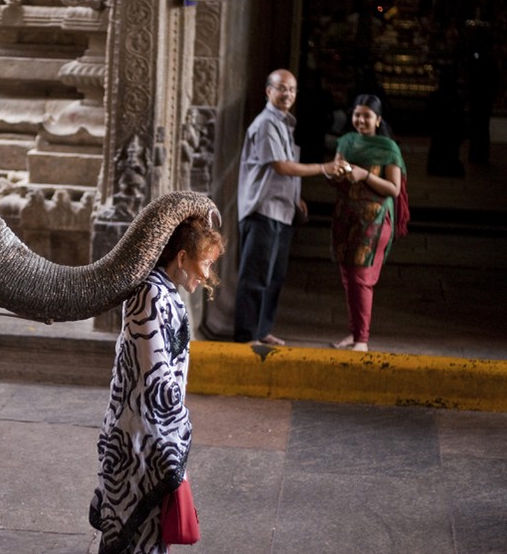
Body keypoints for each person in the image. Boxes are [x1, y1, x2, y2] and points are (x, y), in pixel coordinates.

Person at [90, 215, 225, 553]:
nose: (206, 274)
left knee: (142, 535)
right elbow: (155, 380)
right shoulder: (151, 295)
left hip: (146, 436)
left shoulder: (161, 292)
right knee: (136, 536)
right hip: (141, 440)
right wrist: (176, 434)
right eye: (204, 263)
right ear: (181, 258)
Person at [235, 68, 344, 345]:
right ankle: (247, 335)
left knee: (274, 276)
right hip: (262, 210)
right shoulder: (266, 124)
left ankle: (261, 330)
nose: (287, 94)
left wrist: (295, 198)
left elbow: (282, 169)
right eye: (281, 88)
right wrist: (324, 167)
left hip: (281, 209)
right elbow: (281, 166)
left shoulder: (283, 122)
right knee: (256, 276)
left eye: (292, 89)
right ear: (268, 91)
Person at [329, 94, 408, 352]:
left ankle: (362, 339)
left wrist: (364, 175)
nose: (360, 120)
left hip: (373, 221)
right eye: (356, 115)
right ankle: (354, 334)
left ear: (378, 120)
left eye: (366, 116)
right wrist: (336, 172)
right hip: (346, 216)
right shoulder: (346, 141)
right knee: (347, 278)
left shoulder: (388, 148)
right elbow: (336, 178)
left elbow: (394, 189)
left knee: (361, 278)